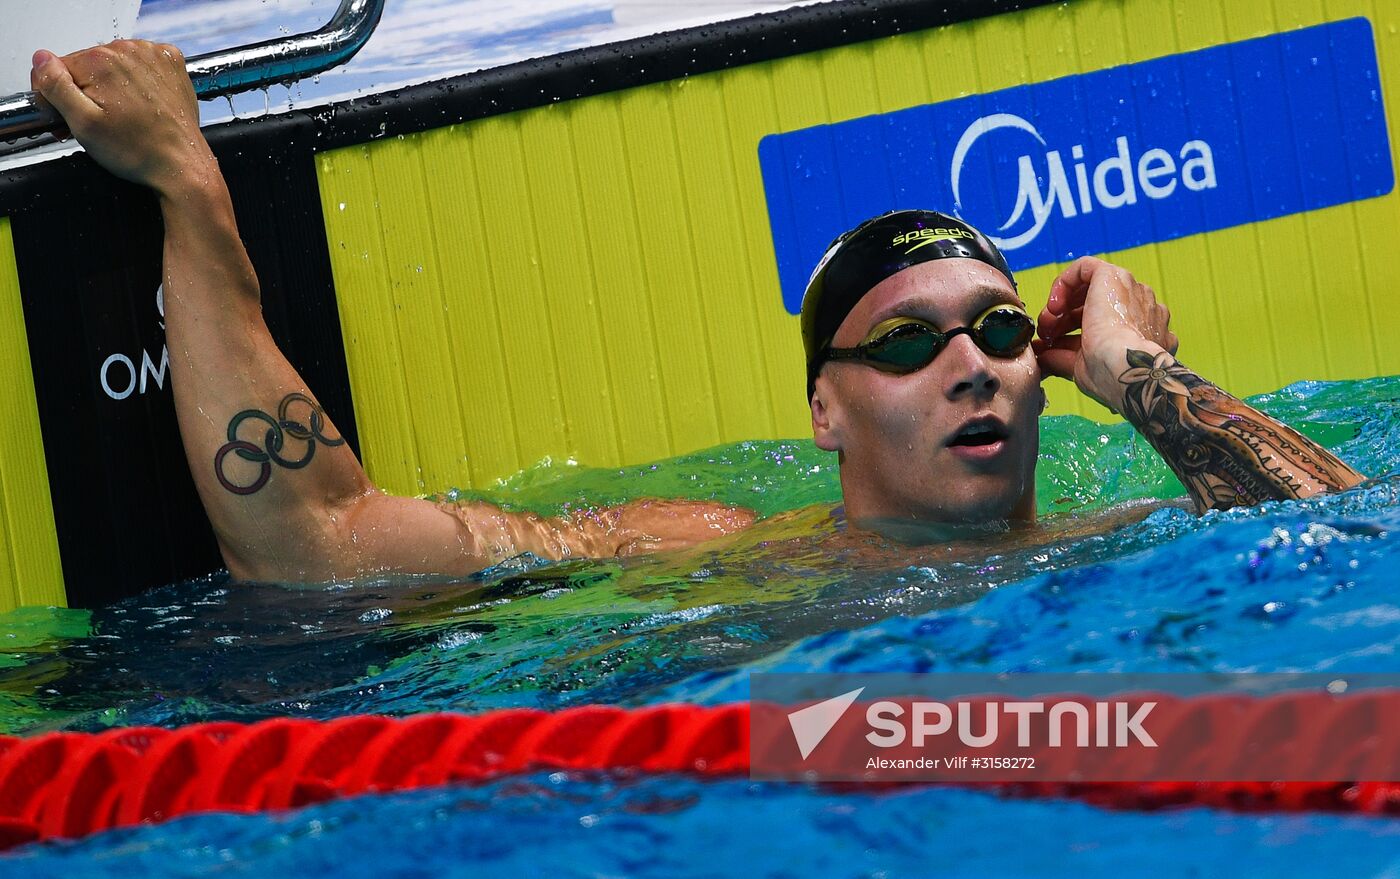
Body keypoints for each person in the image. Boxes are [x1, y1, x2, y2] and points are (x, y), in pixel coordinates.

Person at [28, 41, 1365, 582]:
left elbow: (1354, 532)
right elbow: (315, 544)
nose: (973, 365)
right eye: (910, 340)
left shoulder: (1115, 540)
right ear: (822, 411)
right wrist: (190, 191)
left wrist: (1135, 375)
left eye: (1002, 333)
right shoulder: (711, 553)